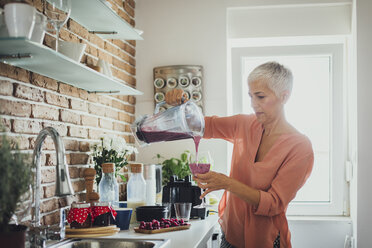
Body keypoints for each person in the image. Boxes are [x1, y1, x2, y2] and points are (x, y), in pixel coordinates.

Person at [165, 61, 314, 248]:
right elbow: (202, 126)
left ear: (284, 96)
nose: (253, 104)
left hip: (266, 241)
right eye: (251, 96)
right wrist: (183, 106)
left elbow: (273, 203)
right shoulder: (246, 124)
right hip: (231, 235)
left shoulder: (300, 147)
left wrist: (227, 183)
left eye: (260, 97)